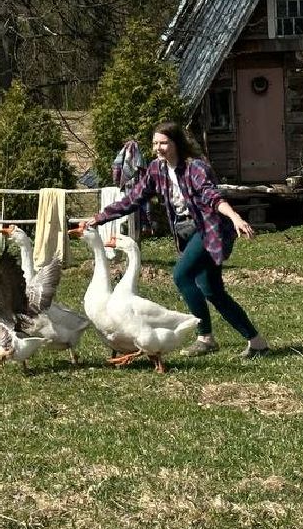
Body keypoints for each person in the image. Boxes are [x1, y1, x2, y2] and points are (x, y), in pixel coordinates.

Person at [74, 121, 269, 359]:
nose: (158, 148)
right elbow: (133, 199)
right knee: (212, 290)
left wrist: (235, 217)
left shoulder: (195, 168)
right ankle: (256, 341)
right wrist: (100, 218)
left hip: (209, 230)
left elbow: (211, 195)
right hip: (186, 232)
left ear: (176, 143)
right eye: (155, 143)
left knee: (181, 275)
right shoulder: (156, 170)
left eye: (164, 143)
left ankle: (204, 336)